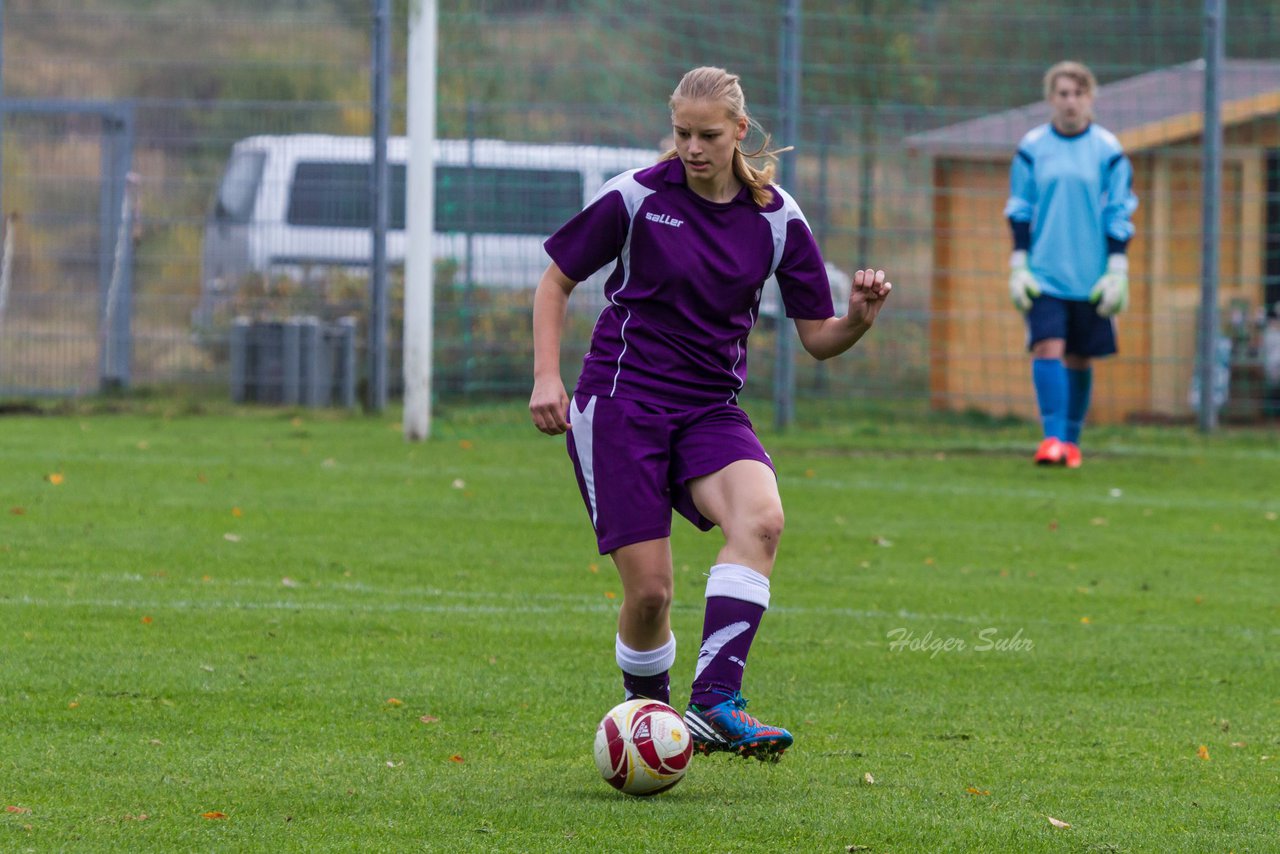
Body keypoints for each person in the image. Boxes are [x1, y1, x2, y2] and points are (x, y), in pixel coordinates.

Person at [529, 66, 892, 762]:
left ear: (739, 133)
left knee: (762, 519)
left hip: (708, 409)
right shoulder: (636, 196)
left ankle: (716, 704)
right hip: (620, 406)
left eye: (708, 135)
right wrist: (549, 377)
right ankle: (650, 722)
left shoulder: (777, 218)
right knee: (651, 597)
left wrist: (860, 320)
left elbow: (818, 338)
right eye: (682, 133)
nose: (692, 149)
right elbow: (556, 281)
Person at [1005, 60, 1138, 468]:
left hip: (1092, 276)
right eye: (1063, 93)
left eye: (1078, 94)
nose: (1070, 102)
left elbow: (1119, 210)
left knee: (1079, 357)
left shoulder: (1108, 150)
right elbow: (1020, 206)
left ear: (1090, 98)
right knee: (1048, 346)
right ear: (1051, 99)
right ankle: (1052, 440)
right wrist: (1019, 263)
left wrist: (1117, 269)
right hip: (1044, 272)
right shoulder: (1032, 148)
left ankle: (1072, 443)